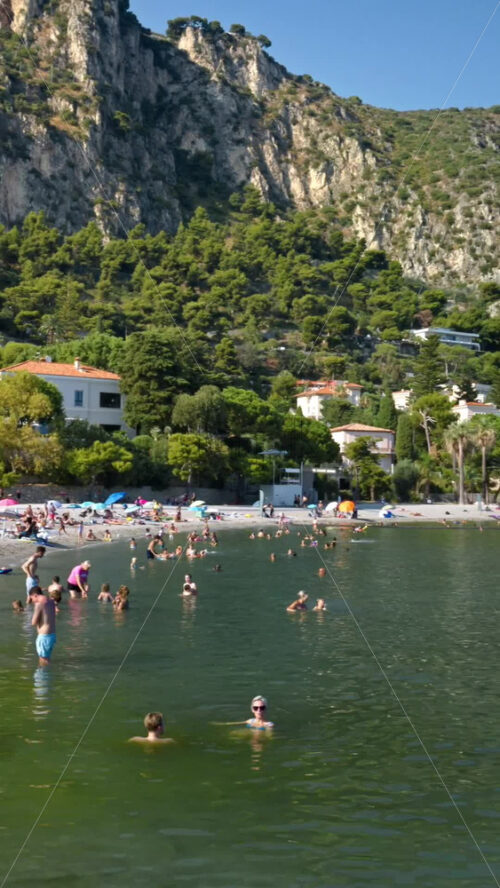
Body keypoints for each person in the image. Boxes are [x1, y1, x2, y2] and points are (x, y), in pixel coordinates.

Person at [31, 587, 56, 666]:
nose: (32, 601)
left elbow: (33, 622)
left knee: (43, 660)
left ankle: (43, 677)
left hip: (44, 637)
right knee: (46, 658)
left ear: (35, 595)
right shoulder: (51, 602)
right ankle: (46, 676)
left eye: (32, 598)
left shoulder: (39, 604)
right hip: (52, 635)